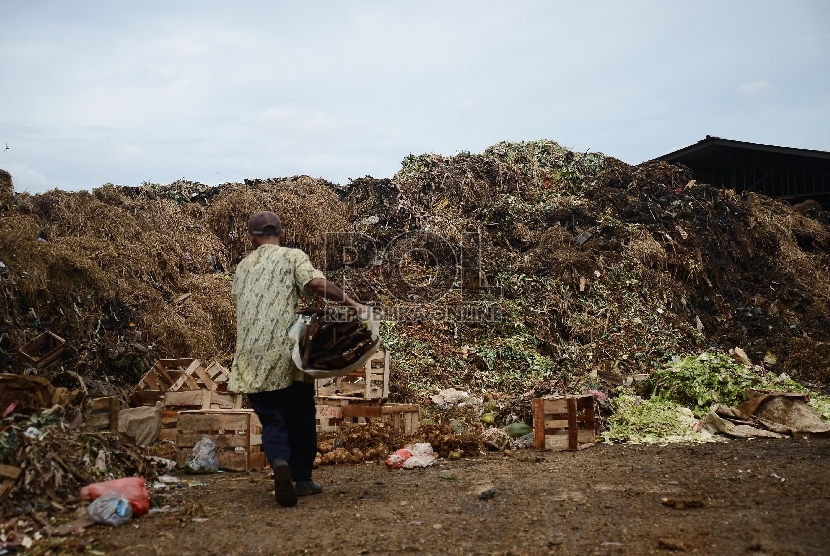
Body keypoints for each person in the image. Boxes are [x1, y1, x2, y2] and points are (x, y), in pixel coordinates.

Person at [229, 210, 367, 507]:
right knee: (301, 414)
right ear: (281, 233)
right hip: (287, 352)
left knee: (272, 418)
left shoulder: (242, 267)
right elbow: (315, 284)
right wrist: (353, 304)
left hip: (252, 355)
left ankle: (280, 461)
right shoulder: (292, 256)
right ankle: (302, 479)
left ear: (251, 237)